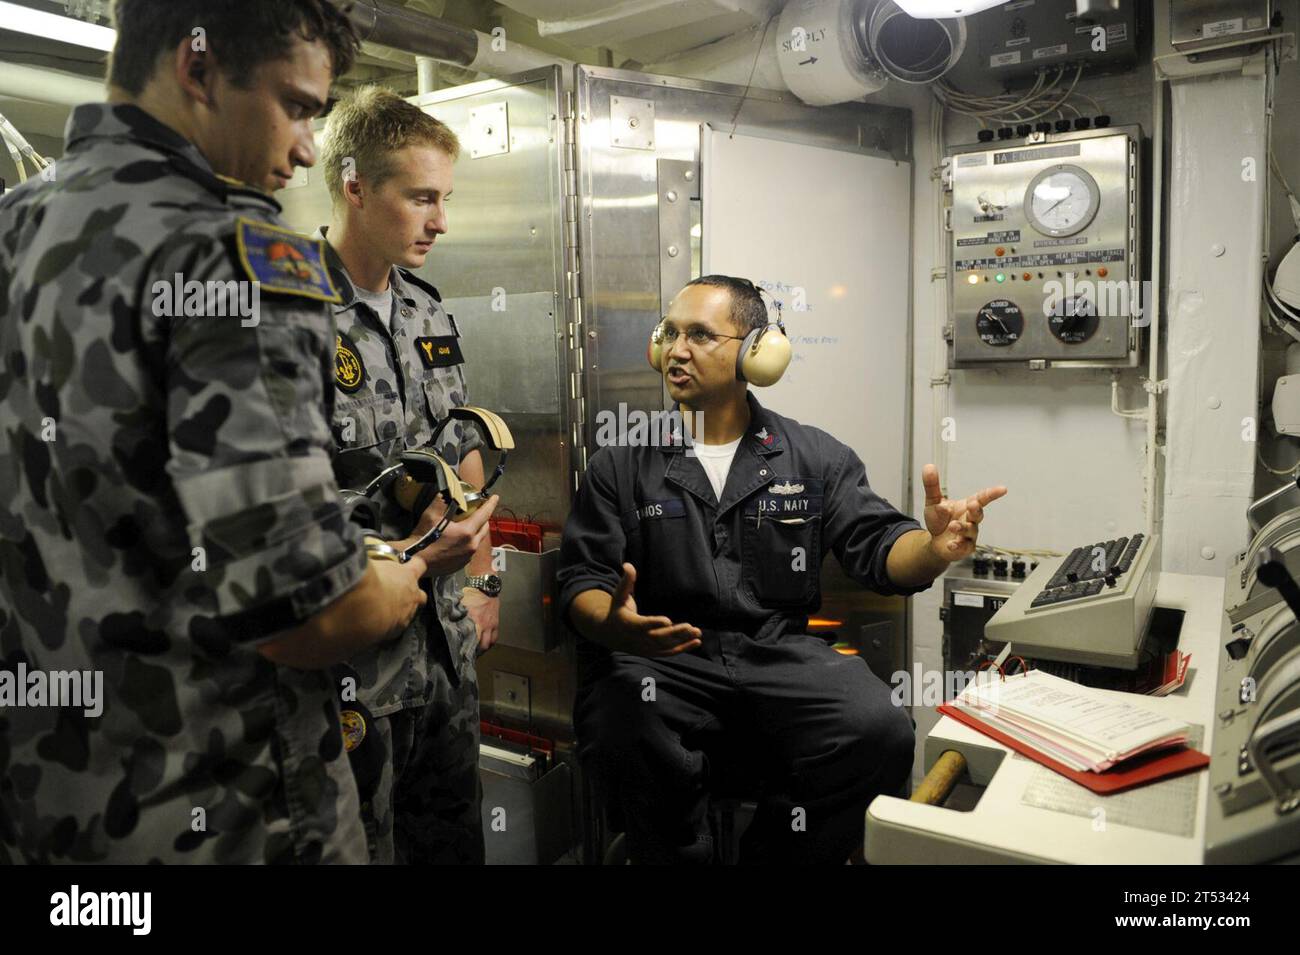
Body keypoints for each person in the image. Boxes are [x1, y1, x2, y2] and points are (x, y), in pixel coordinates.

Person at [0, 0, 435, 864]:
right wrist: (399, 581)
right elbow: (300, 611)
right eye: (299, 106)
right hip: (224, 805)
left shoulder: (16, 222)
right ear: (197, 69)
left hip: (49, 800)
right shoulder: (231, 254)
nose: (308, 148)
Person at [558, 275, 1009, 864]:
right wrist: (614, 626)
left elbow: (877, 547)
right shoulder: (621, 463)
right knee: (618, 718)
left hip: (779, 658)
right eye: (669, 334)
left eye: (699, 335)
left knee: (879, 730)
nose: (676, 350)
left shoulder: (813, 456)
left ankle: (781, 852)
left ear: (755, 352)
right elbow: (582, 581)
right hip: (662, 664)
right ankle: (676, 851)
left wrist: (933, 546)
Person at [317, 86, 500, 864]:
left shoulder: (427, 311)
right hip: (353, 652)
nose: (441, 221)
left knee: (452, 835)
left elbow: (463, 444)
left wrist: (486, 580)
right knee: (365, 843)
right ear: (356, 185)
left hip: (444, 638)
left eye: (445, 198)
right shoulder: (286, 309)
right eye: (421, 197)